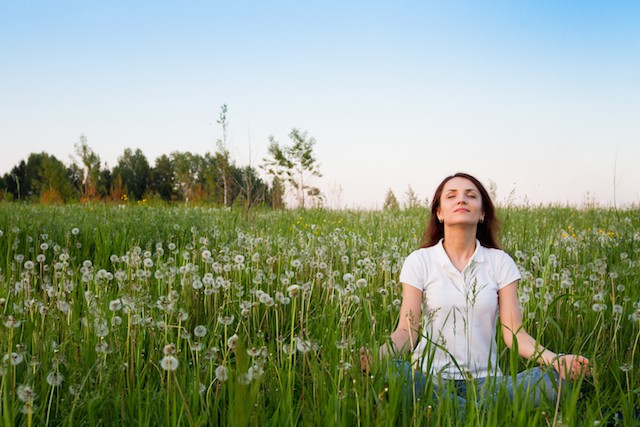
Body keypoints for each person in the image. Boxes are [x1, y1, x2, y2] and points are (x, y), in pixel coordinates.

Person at [360, 172, 590, 408]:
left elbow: (514, 335)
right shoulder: (420, 261)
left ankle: (452, 412)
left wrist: (556, 360)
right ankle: (482, 413)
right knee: (391, 373)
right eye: (451, 196)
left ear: (482, 213)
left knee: (553, 380)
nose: (461, 200)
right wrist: (379, 356)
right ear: (439, 213)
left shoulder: (500, 262)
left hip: (488, 382)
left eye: (471, 196)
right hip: (429, 378)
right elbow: (407, 332)